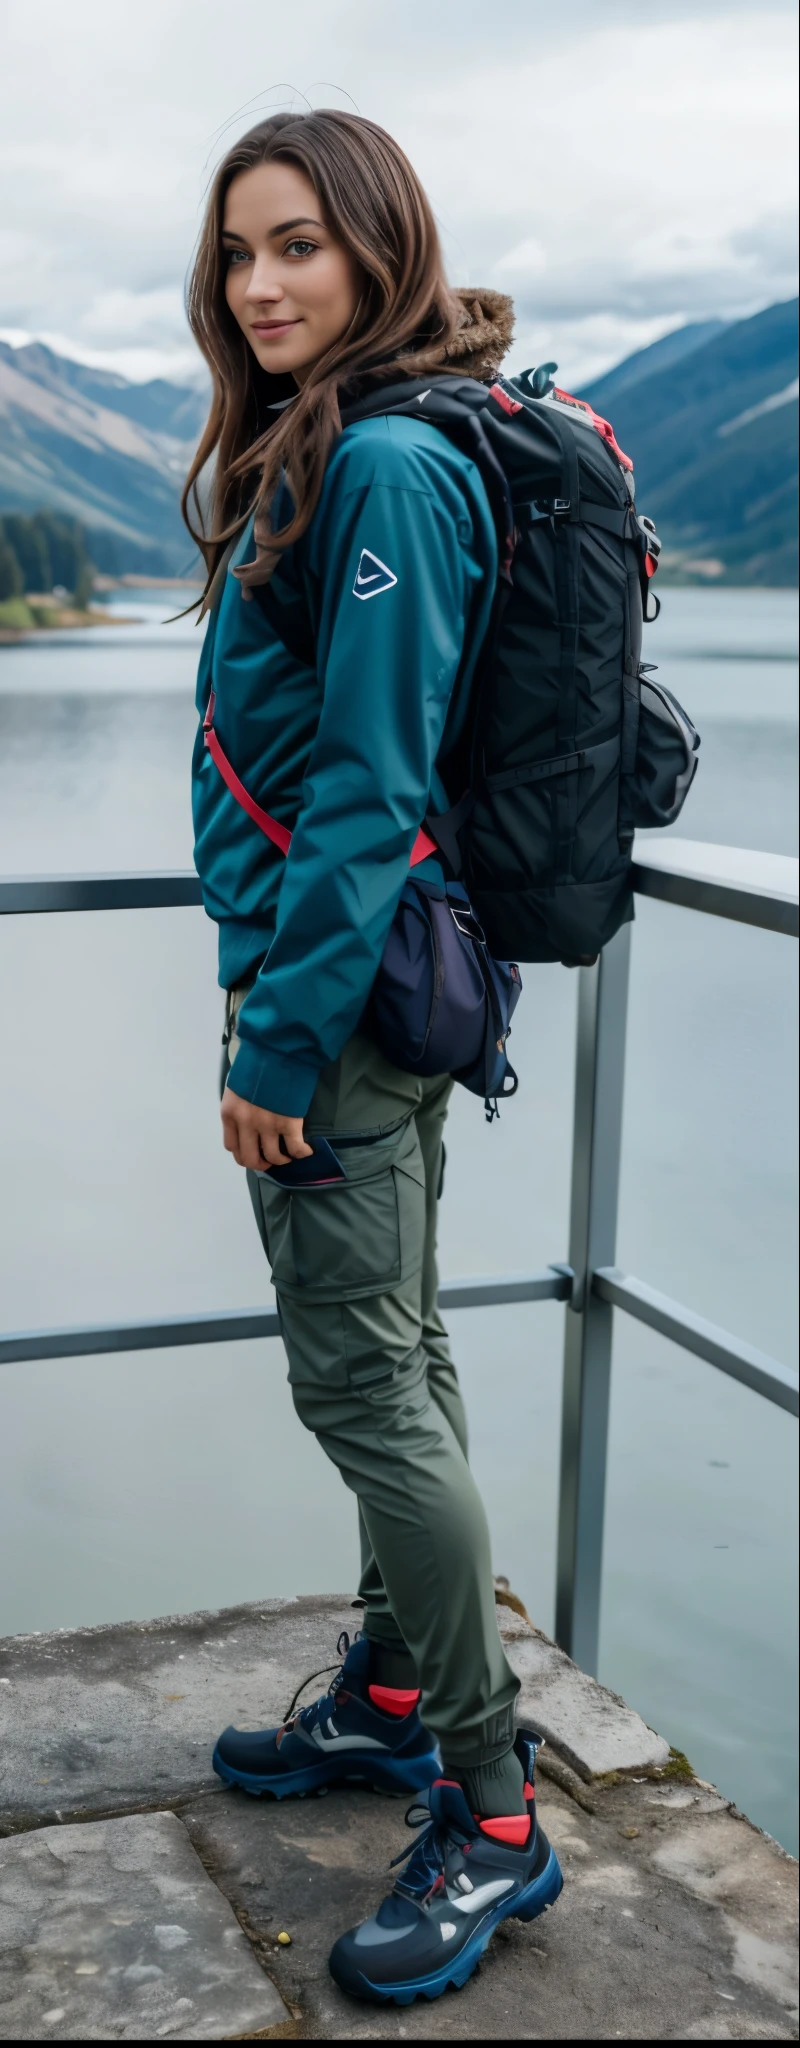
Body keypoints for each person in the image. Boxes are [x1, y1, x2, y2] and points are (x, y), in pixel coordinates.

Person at [185, 108, 562, 2005]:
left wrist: (274, 1036)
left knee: (368, 1393)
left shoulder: (392, 466)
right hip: (349, 998)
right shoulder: (340, 442)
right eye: (240, 251)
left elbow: (365, 795)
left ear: (378, 250)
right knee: (401, 1359)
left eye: (301, 249)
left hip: (333, 1015)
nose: (261, 285)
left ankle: (491, 1818)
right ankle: (400, 1691)